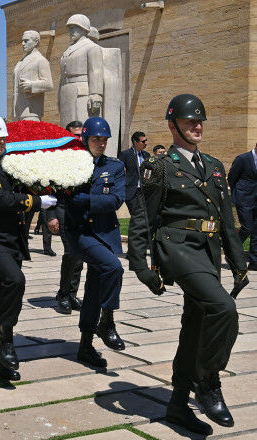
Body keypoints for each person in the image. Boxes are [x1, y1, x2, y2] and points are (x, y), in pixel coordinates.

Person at [128, 94, 249, 434]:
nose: (196, 126)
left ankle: (178, 404)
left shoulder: (213, 165)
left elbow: (226, 218)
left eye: (199, 121)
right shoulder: (161, 167)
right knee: (223, 309)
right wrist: (141, 267)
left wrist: (238, 264)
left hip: (207, 252)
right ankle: (208, 382)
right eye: (188, 121)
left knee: (196, 324)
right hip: (177, 249)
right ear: (172, 125)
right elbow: (142, 219)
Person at [0, 114, 56, 381]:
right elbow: (0, 199)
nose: (1, 142)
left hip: (13, 240)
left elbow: (27, 184)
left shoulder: (8, 166)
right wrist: (38, 202)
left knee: (2, 296)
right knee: (15, 281)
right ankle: (6, 338)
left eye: (3, 137)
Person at [62, 117, 126, 369]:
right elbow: (65, 197)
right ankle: (107, 320)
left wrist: (86, 200)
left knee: (94, 288)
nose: (101, 144)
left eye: (104, 140)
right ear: (85, 139)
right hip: (81, 233)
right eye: (96, 139)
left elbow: (116, 200)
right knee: (113, 268)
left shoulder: (115, 166)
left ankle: (85, 345)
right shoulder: (71, 165)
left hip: (105, 232)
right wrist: (89, 200)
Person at [228, 143, 257, 271]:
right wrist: (237, 193)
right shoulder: (243, 159)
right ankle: (232, 252)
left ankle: (254, 261)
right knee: (247, 227)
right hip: (244, 199)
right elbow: (232, 177)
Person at [119, 131, 150, 214]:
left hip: (145, 191)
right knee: (136, 216)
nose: (146, 143)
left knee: (146, 216)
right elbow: (119, 173)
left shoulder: (147, 155)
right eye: (143, 141)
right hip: (132, 191)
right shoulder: (125, 154)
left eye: (146, 140)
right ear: (135, 142)